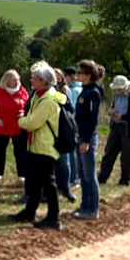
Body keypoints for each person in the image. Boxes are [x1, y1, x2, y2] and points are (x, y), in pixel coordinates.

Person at [10, 62, 66, 231]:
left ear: (43, 81)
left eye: (34, 78)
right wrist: (26, 119)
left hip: (46, 146)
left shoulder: (47, 101)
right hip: (37, 145)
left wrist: (20, 120)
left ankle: (54, 217)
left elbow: (32, 123)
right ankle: (30, 212)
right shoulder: (38, 96)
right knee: (34, 181)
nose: (31, 80)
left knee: (48, 183)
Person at [99, 75, 130, 186]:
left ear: (126, 86)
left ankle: (125, 180)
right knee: (109, 152)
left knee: (126, 155)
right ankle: (102, 177)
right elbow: (115, 107)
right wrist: (113, 112)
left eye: (119, 88)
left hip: (129, 129)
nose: (117, 90)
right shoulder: (117, 96)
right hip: (116, 127)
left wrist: (123, 117)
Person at [73, 60, 106, 220]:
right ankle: (85, 205)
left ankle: (92, 208)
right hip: (80, 135)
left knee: (89, 174)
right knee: (82, 173)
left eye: (79, 72)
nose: (76, 75)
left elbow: (92, 119)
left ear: (87, 75)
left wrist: (86, 141)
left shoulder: (93, 93)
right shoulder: (84, 91)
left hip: (87, 137)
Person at [0, 70, 29, 185]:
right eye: (14, 80)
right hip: (2, 126)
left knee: (21, 151)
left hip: (18, 126)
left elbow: (28, 106)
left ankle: (22, 173)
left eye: (18, 79)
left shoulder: (23, 92)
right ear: (7, 81)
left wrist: (24, 112)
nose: (17, 82)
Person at [53, 74, 78, 203]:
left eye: (59, 78)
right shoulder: (39, 93)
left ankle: (65, 188)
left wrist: (63, 95)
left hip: (61, 132)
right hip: (46, 132)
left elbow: (70, 109)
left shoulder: (61, 94)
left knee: (63, 162)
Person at [63, 67, 83, 188]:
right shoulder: (80, 88)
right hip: (79, 124)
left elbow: (73, 110)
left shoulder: (74, 90)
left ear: (69, 77)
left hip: (73, 123)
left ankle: (74, 178)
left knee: (72, 152)